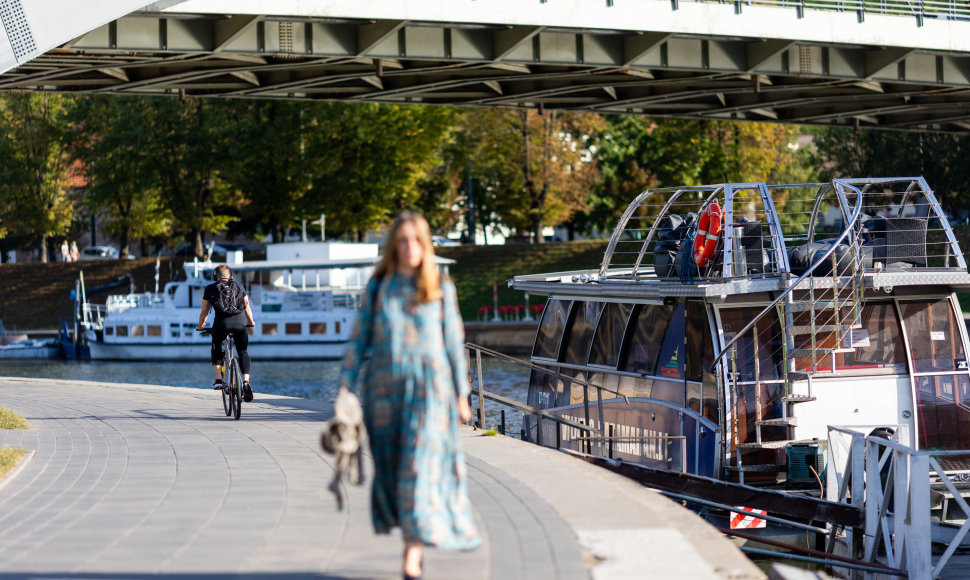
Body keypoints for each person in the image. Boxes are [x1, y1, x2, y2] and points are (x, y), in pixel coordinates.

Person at [338, 211, 480, 580]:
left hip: (431, 392)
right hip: (384, 394)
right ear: (393, 245)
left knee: (418, 469)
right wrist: (345, 387)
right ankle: (412, 537)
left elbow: (453, 343)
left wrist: (462, 395)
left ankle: (411, 558)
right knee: (396, 472)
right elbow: (359, 340)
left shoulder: (440, 287)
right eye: (403, 240)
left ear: (426, 244)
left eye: (417, 240)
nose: (410, 247)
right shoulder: (378, 287)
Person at [196, 264, 256, 401]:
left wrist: (200, 326)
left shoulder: (210, 288)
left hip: (221, 325)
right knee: (243, 351)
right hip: (240, 324)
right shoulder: (239, 286)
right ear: (230, 276)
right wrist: (251, 322)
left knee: (216, 344)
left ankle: (218, 379)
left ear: (215, 276)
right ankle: (246, 382)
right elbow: (247, 307)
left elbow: (204, 312)